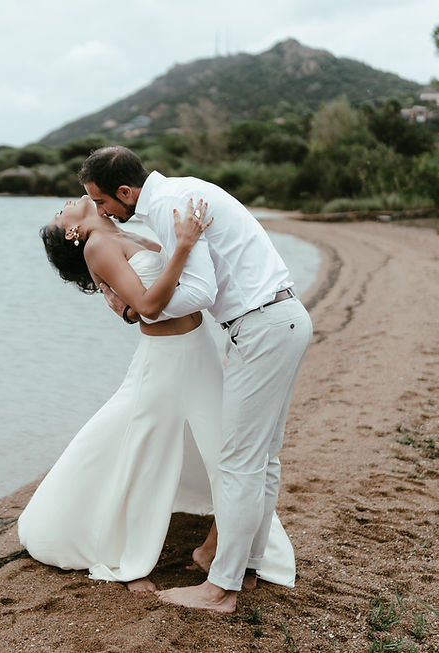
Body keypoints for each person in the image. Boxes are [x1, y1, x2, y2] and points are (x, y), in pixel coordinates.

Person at [17, 195, 296, 595]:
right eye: (60, 214)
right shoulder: (98, 245)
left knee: (227, 449)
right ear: (72, 231)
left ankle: (235, 553)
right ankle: (132, 560)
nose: (65, 203)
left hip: (198, 348)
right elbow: (148, 306)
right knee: (147, 453)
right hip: (165, 360)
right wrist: (182, 246)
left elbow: (149, 300)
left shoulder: (125, 231)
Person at [79, 145, 312, 613]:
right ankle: (245, 561)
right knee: (261, 459)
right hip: (281, 318)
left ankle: (221, 588)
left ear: (125, 193)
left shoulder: (169, 208)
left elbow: (202, 290)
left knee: (240, 461)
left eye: (102, 202)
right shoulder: (181, 192)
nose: (101, 212)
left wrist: (144, 308)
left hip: (262, 325)